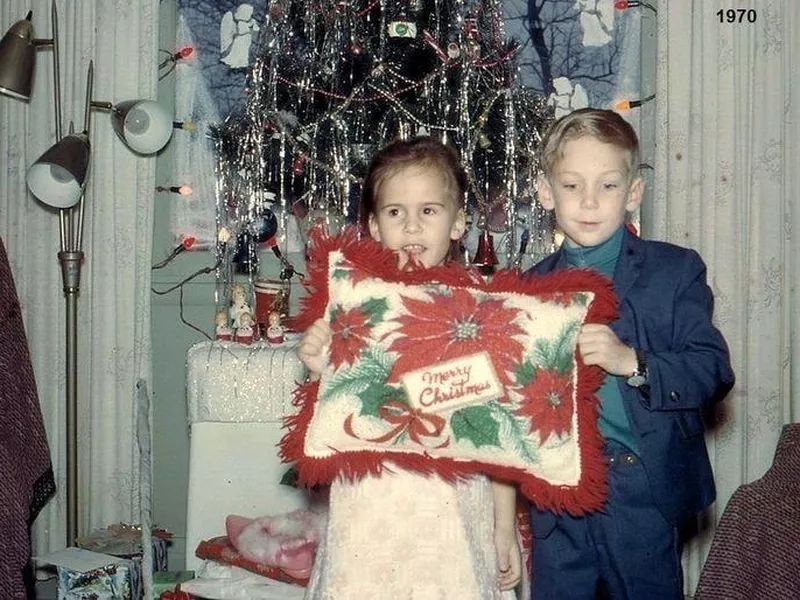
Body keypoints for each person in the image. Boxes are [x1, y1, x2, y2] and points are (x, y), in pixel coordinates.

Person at [297, 136, 521, 598]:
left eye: (429, 211)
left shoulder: (481, 310)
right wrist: (320, 367)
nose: (412, 226)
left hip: (452, 508)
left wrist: (504, 527)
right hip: (370, 503)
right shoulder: (353, 304)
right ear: (375, 227)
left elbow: (499, 432)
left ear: (458, 222)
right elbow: (333, 411)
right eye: (395, 212)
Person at [526, 107, 735, 599]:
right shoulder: (528, 288)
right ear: (545, 191)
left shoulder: (674, 270)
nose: (590, 201)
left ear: (634, 193)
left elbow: (712, 368)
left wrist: (633, 363)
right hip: (557, 496)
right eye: (572, 185)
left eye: (609, 185)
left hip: (639, 486)